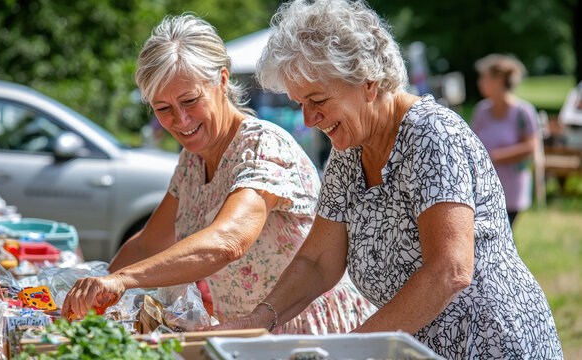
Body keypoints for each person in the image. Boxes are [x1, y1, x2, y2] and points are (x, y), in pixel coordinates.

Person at [213, 0, 563, 358]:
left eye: (317, 99)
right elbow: (318, 261)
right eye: (299, 102)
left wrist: (349, 349)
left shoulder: (430, 133)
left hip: (490, 345)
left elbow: (449, 270)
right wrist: (257, 320)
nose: (308, 119)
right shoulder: (350, 149)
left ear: (368, 83)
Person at [61, 14, 373, 334]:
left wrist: (122, 280)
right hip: (245, 335)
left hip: (306, 330)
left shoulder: (263, 146)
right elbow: (146, 245)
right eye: (163, 108)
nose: (181, 120)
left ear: (222, 81)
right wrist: (91, 296)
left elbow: (227, 241)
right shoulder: (192, 160)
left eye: (190, 100)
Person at [472, 54, 539, 227]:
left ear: (499, 80)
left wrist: (493, 157)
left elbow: (531, 147)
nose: (480, 82)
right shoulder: (481, 111)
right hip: (484, 189)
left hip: (511, 190)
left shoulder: (523, 112)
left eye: (484, 77)